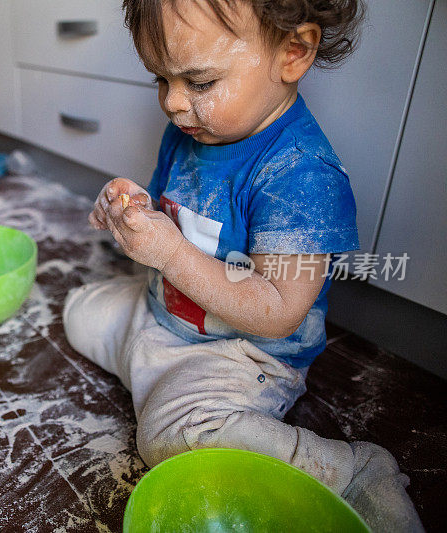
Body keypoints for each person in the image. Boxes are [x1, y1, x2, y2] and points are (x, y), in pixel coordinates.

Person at [62, 0, 424, 530]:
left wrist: (167, 252)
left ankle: (348, 473)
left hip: (240, 352)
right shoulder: (190, 132)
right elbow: (170, 215)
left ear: (294, 52)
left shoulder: (301, 174)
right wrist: (130, 210)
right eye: (161, 80)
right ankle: (154, 375)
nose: (174, 104)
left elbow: (278, 312)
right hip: (160, 315)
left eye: (200, 83)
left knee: (171, 437)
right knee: (77, 312)